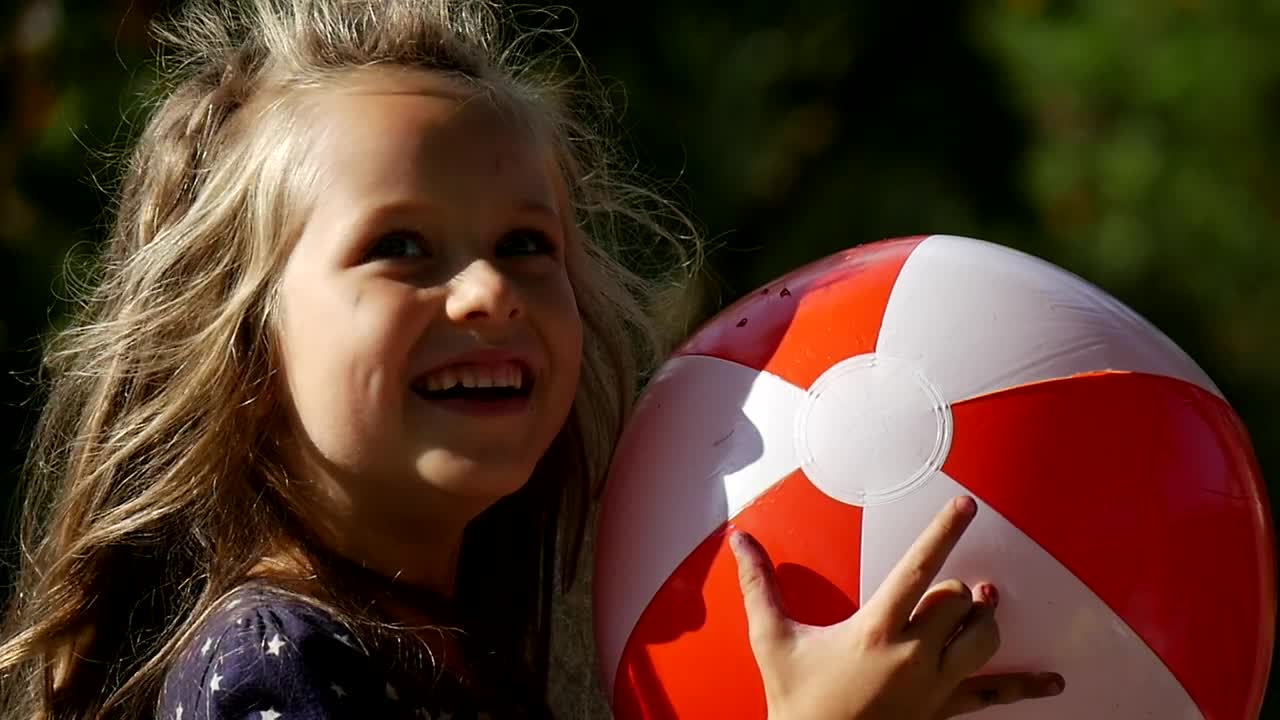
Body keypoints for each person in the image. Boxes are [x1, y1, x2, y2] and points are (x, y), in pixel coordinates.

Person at [0, 0, 1063, 718]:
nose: (489, 291)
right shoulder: (274, 669)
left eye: (523, 245)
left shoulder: (469, 661)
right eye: (399, 247)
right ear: (241, 342)